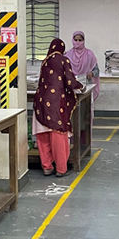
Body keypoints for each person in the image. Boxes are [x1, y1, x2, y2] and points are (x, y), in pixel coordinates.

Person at [33, 39, 84, 177]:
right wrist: (80, 86)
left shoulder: (45, 61)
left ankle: (47, 167)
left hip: (40, 102)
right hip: (56, 103)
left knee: (43, 135)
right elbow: (70, 81)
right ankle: (61, 169)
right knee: (58, 135)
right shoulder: (63, 60)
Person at [65, 31, 100, 100]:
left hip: (86, 87)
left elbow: (97, 70)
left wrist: (92, 73)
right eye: (75, 40)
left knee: (85, 105)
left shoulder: (89, 54)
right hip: (72, 87)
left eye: (80, 40)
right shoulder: (68, 55)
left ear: (83, 41)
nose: (77, 42)